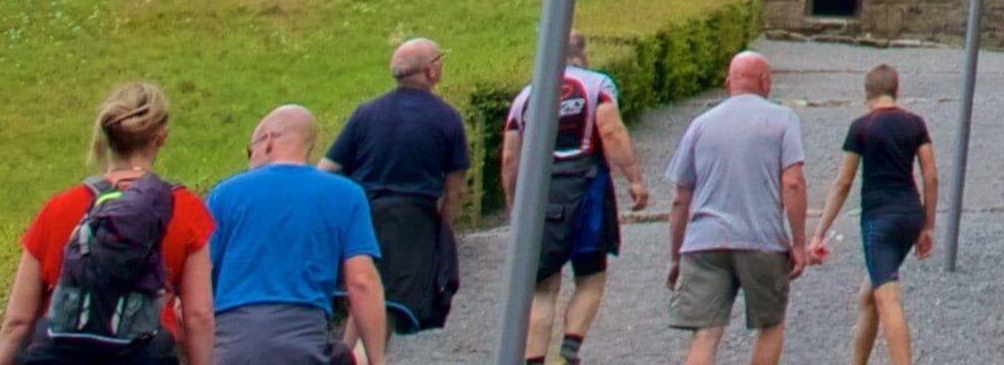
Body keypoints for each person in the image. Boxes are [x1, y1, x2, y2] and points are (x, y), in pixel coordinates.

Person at [0, 80, 218, 365]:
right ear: (160, 137)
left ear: (106, 136)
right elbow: (198, 318)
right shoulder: (184, 209)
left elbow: (17, 321)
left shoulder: (58, 209)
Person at [501, 34, 650, 365]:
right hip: (586, 189)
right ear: (584, 53)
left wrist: (514, 203)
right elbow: (610, 131)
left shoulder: (527, 95)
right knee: (591, 274)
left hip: (542, 192)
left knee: (543, 286)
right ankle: (570, 345)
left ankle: (534, 359)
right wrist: (635, 179)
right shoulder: (597, 85)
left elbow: (511, 156)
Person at [207, 105, 387, 365]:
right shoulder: (345, 195)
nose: (249, 161)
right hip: (304, 345)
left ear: (268, 141)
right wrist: (377, 359)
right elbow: (362, 282)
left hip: (231, 345)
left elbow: (199, 284)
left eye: (250, 151)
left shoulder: (223, 195)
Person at [665, 51, 812, 365]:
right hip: (761, 240)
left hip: (704, 242)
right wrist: (799, 243)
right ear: (765, 82)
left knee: (705, 334)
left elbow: (680, 196)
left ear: (728, 82)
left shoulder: (700, 125)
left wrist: (676, 255)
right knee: (771, 326)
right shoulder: (783, 119)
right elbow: (793, 183)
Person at [325, 38, 468, 335]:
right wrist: (443, 229)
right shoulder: (447, 118)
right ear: (430, 71)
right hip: (411, 222)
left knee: (363, 301)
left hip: (362, 214)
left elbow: (327, 169)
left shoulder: (366, 112)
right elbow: (455, 190)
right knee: (384, 307)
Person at [807, 64, 935, 365]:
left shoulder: (862, 127)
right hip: (910, 213)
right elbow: (930, 176)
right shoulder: (916, 123)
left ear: (867, 94)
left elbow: (843, 183)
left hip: (879, 221)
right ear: (896, 91)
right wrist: (928, 224)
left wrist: (819, 232)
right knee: (869, 295)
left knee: (886, 298)